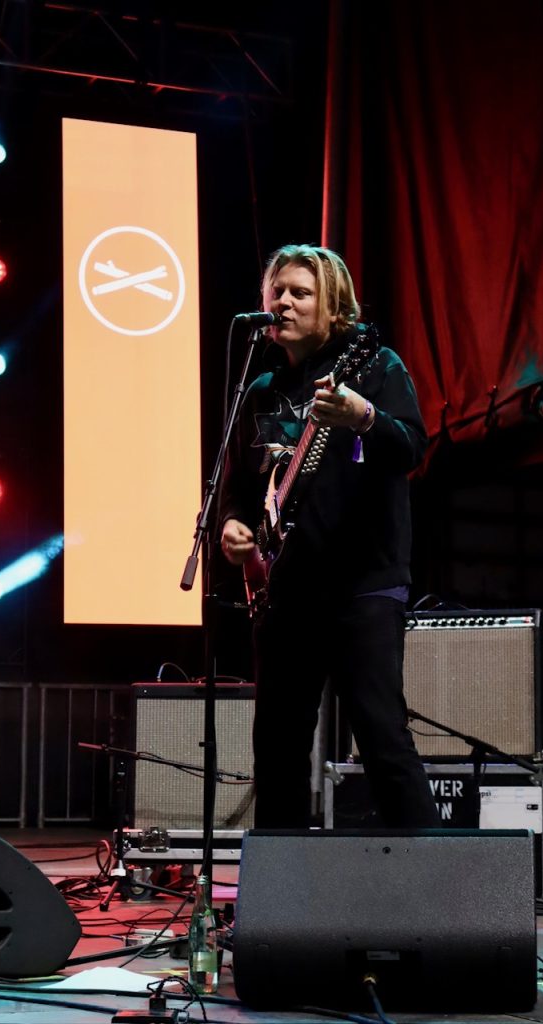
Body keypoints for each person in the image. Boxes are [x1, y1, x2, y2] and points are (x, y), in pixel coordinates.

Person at [220, 243, 440, 829]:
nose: (284, 302)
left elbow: (412, 449)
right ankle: (281, 906)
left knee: (381, 735)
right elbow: (239, 487)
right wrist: (232, 526)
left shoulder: (374, 366)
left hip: (363, 585)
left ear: (333, 306)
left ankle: (439, 897)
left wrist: (364, 416)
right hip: (286, 592)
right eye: (277, 292)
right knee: (278, 746)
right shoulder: (261, 388)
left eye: (300, 293)